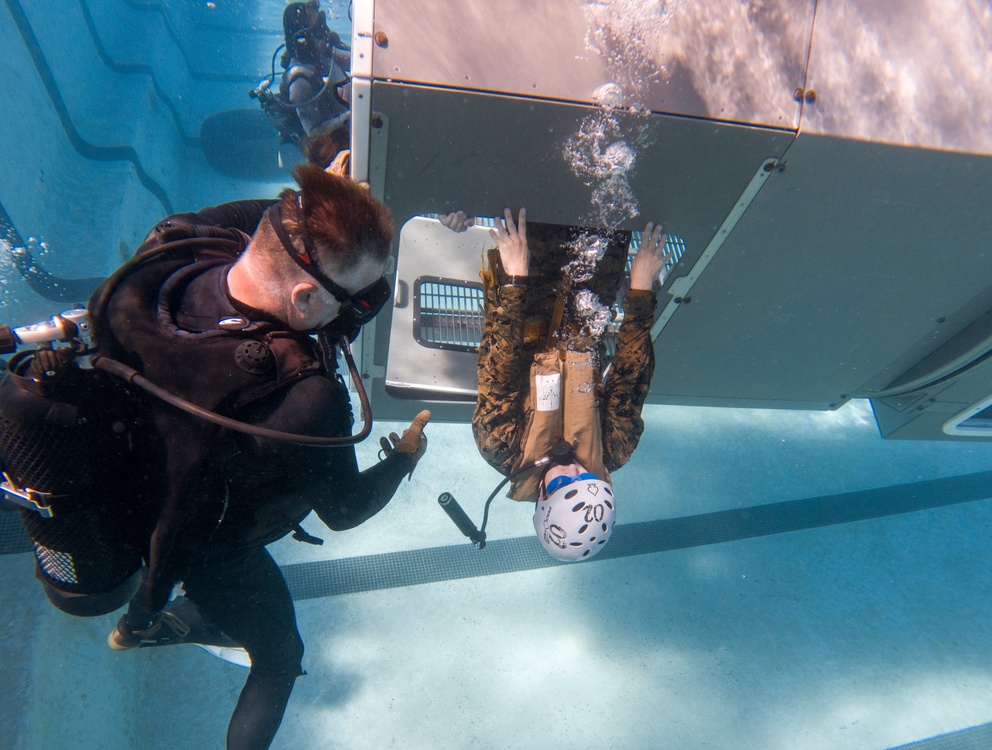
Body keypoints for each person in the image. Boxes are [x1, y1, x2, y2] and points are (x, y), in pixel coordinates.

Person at [92, 161, 431, 749]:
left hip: (140, 491)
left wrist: (313, 204)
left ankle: (166, 616)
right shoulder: (307, 400)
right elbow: (344, 511)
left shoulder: (169, 256)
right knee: (278, 659)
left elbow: (268, 223)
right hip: (212, 549)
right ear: (303, 298)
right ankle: (171, 616)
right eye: (350, 299)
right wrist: (404, 456)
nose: (359, 308)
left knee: (221, 599)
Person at [470, 207, 666, 561]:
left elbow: (499, 362)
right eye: (587, 479)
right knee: (609, 206)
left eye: (562, 484)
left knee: (538, 196)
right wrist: (640, 291)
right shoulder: (613, 449)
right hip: (588, 305)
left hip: (525, 294)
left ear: (541, 499)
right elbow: (631, 375)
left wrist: (514, 278)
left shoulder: (500, 446)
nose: (573, 468)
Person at [252, 0, 353, 168]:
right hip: (335, 154)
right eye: (319, 31)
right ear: (303, 39)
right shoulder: (299, 79)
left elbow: (358, 63)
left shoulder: (320, 58)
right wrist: (352, 114)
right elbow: (314, 132)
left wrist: (335, 49)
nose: (325, 33)